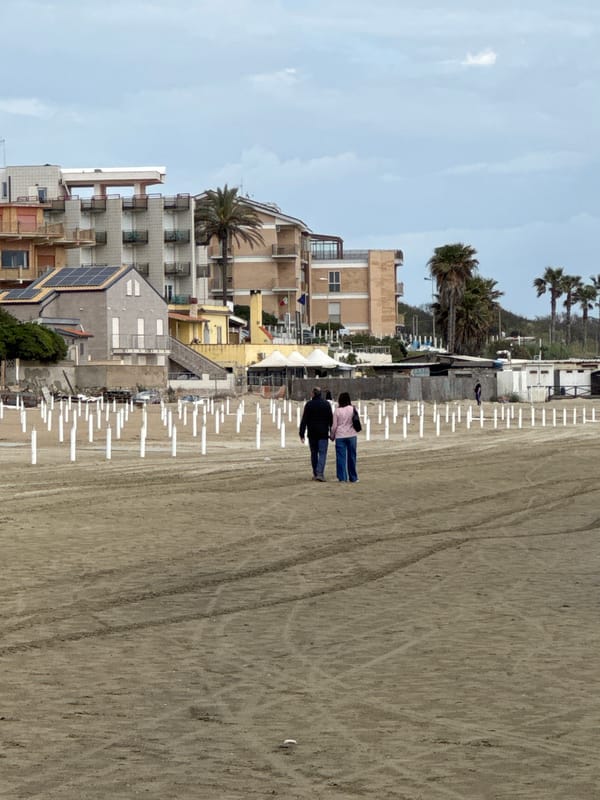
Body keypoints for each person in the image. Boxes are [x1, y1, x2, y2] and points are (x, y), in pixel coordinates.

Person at [299, 386, 333, 482]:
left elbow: (304, 420)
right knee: (322, 453)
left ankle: (316, 473)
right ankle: (320, 473)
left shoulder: (309, 405)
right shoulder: (326, 404)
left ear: (313, 394)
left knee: (314, 454)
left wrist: (301, 434)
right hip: (323, 433)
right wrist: (332, 432)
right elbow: (331, 420)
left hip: (312, 434)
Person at [330, 391, 359, 483]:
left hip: (340, 436)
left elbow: (334, 426)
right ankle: (353, 477)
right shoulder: (353, 408)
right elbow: (356, 421)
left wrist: (332, 436)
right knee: (352, 457)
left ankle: (342, 477)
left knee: (341, 457)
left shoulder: (337, 411)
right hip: (352, 435)